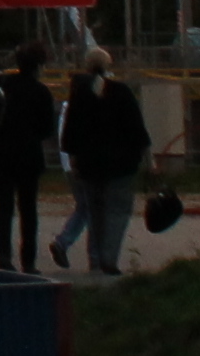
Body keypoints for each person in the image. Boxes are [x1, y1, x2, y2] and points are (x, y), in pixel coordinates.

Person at [49, 50, 152, 275]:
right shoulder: (121, 92)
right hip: (121, 165)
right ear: (108, 65)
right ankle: (109, 258)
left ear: (87, 66)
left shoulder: (80, 95)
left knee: (94, 212)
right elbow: (137, 129)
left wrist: (74, 160)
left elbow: (70, 133)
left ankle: (95, 260)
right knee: (117, 211)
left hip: (89, 164)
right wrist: (149, 161)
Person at [0, 40, 60, 274]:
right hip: (27, 156)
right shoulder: (41, 92)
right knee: (28, 209)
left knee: (4, 206)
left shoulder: (0, 83)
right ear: (39, 65)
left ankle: (3, 256)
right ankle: (28, 260)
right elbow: (47, 129)